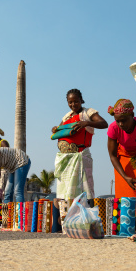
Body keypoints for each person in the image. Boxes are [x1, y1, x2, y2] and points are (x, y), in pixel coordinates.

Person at [51, 89, 108, 222]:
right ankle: (66, 220)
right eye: (70, 102)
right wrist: (55, 129)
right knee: (65, 191)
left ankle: (87, 219)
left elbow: (104, 124)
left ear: (81, 100)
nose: (73, 104)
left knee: (85, 189)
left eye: (76, 101)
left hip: (81, 156)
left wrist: (86, 123)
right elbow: (60, 130)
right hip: (66, 159)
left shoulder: (88, 113)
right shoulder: (67, 116)